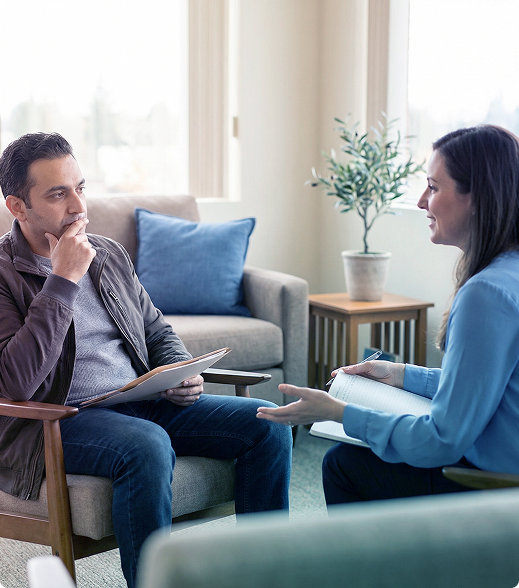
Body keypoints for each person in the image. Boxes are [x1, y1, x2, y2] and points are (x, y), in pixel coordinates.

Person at [0, 132, 292, 588]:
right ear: (18, 206)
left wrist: (181, 372)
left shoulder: (108, 253)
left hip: (141, 401)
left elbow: (156, 329)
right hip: (60, 420)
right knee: (146, 443)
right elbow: (15, 382)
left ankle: (265, 575)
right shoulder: (3, 273)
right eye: (58, 194)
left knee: (266, 422)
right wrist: (62, 279)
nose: (78, 206)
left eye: (80, 187)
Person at [258, 124, 519, 505]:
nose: (420, 201)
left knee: (343, 464)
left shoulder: (485, 294)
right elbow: (481, 384)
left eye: (433, 187)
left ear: (477, 197)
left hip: (495, 486)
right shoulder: (508, 272)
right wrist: (399, 374)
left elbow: (442, 441)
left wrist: (338, 412)